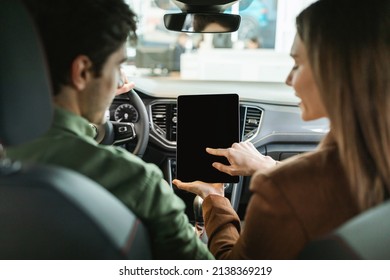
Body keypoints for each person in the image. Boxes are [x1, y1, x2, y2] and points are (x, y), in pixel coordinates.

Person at [173, 0, 390, 259]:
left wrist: (215, 198)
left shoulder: (283, 190)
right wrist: (267, 166)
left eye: (297, 64)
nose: (288, 79)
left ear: (338, 70)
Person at [7, 0, 213, 260]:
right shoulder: (137, 182)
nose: (118, 79)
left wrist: (90, 99)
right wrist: (217, 205)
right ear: (82, 71)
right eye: (117, 66)